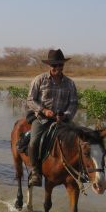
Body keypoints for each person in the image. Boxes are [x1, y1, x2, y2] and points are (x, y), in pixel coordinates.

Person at [26, 48, 79, 187]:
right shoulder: (39, 79)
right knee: (34, 142)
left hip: (63, 120)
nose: (57, 68)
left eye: (60, 65)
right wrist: (44, 110)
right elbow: (30, 100)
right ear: (49, 66)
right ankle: (35, 172)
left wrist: (66, 115)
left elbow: (73, 103)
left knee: (81, 140)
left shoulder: (70, 83)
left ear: (63, 65)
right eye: (54, 65)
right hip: (42, 119)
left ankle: (79, 171)